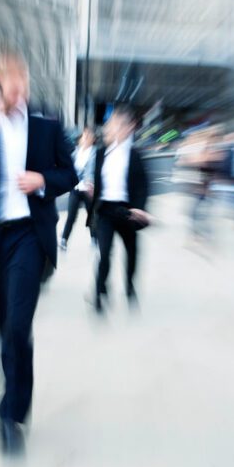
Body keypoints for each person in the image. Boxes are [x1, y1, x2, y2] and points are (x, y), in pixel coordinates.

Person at [0, 49, 76, 456]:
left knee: (17, 326)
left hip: (29, 236)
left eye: (21, 77)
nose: (18, 86)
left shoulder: (46, 124)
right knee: (3, 331)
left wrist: (43, 178)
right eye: (8, 79)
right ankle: (11, 395)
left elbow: (70, 175)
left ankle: (12, 415)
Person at [90, 107, 151, 313]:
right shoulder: (101, 153)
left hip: (128, 212)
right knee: (104, 254)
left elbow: (143, 186)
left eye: (118, 125)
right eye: (112, 125)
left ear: (129, 128)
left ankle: (129, 286)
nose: (113, 128)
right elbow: (97, 184)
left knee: (132, 253)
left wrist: (140, 210)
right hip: (105, 211)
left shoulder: (135, 155)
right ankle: (98, 293)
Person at [59, 127, 96, 249]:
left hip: (88, 190)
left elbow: (91, 169)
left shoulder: (94, 153)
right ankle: (64, 239)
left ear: (92, 139)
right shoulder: (76, 152)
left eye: (87, 136)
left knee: (91, 215)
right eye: (83, 136)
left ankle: (94, 238)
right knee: (71, 216)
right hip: (75, 189)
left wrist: (90, 182)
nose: (84, 139)